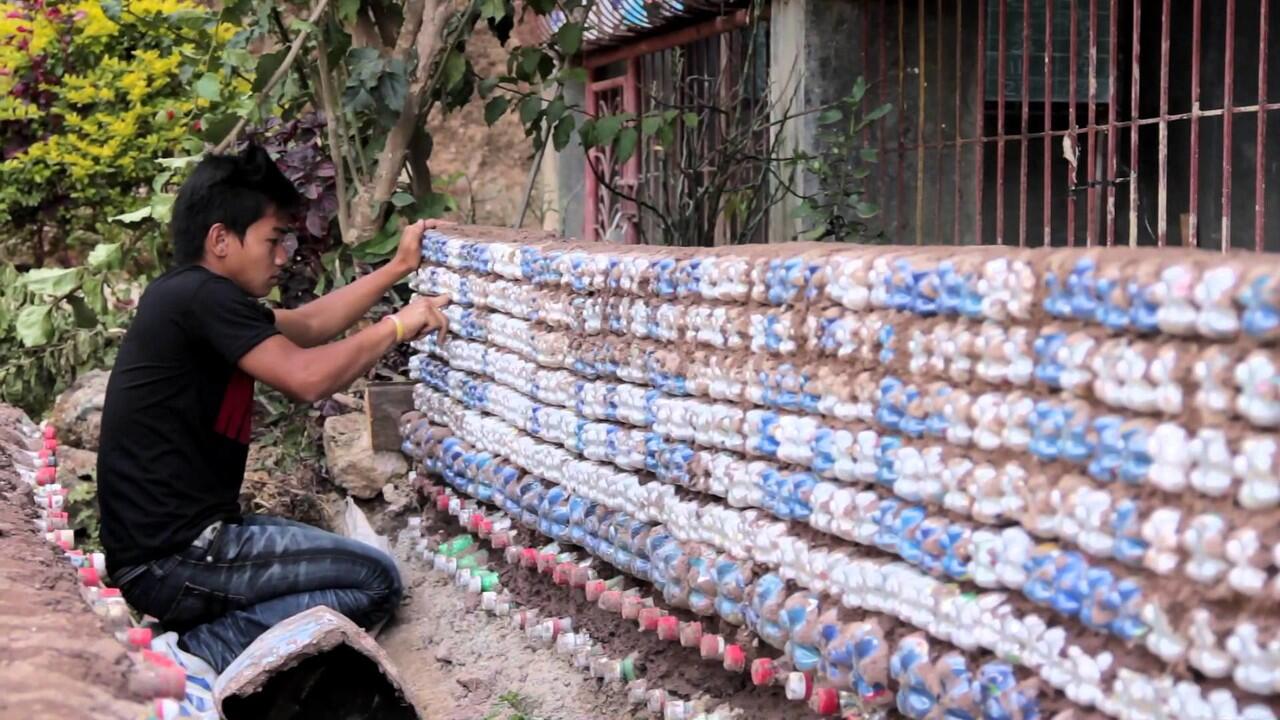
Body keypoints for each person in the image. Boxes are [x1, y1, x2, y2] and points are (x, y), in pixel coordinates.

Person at [98, 144, 450, 674]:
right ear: (220, 239)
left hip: (169, 554)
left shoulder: (192, 296)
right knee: (376, 580)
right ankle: (192, 656)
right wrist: (400, 325)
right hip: (179, 556)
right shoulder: (201, 298)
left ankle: (201, 634)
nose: (282, 255)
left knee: (346, 570)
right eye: (272, 240)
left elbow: (308, 326)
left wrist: (399, 269)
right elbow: (307, 378)